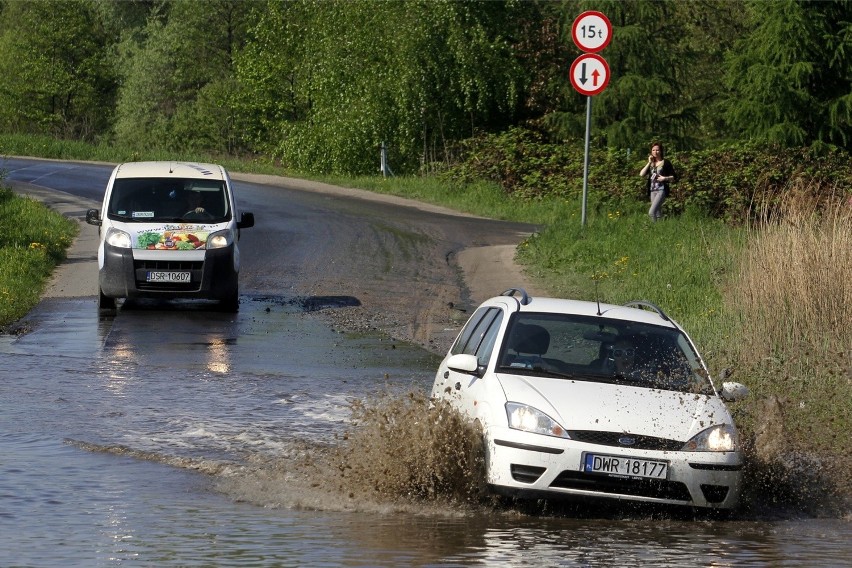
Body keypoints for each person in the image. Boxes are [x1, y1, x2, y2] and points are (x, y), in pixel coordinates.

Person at [639, 141, 676, 222]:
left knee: (651, 212)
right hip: (652, 190)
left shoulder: (665, 162)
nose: (655, 152)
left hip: (661, 190)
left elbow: (674, 177)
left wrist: (664, 178)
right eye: (653, 150)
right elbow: (641, 174)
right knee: (658, 212)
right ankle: (661, 229)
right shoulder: (651, 164)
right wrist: (649, 162)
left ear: (661, 151)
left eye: (657, 150)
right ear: (651, 151)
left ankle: (654, 229)